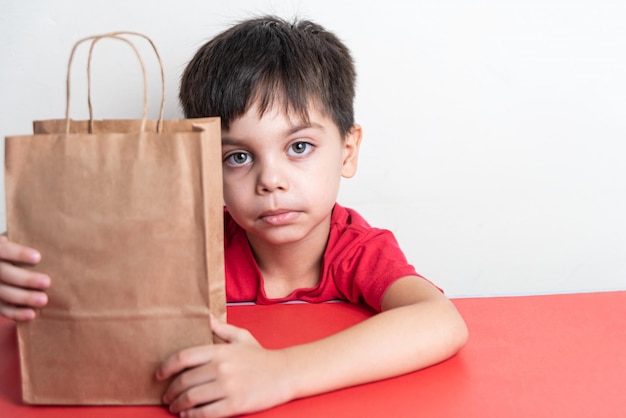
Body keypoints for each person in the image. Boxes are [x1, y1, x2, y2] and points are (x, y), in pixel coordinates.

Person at [0, 15, 468, 418]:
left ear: (347, 151)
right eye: (238, 157)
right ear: (205, 165)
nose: (271, 180)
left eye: (299, 147)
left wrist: (282, 372)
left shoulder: (357, 250)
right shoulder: (187, 244)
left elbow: (440, 321)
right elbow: (84, 278)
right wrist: (20, 267)